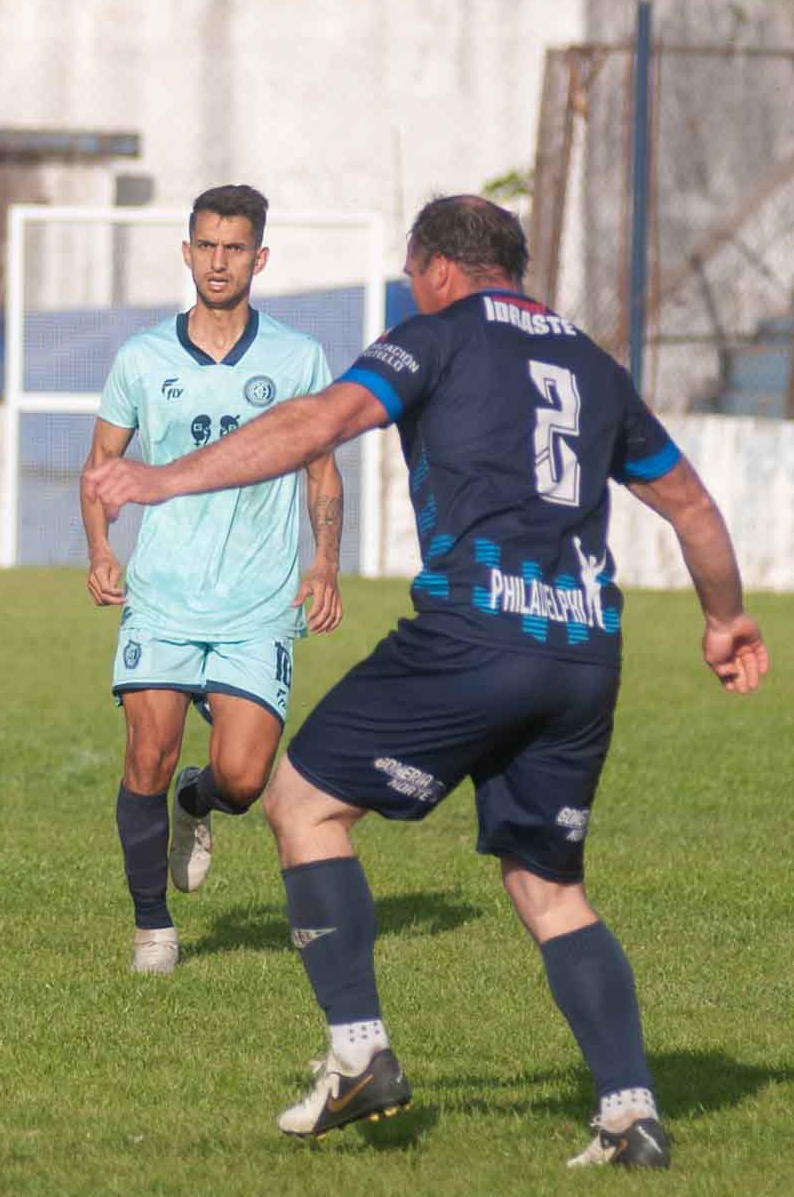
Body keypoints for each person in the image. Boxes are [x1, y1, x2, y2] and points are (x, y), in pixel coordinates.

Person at [88, 195, 769, 1167]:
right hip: (584, 651)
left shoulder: (432, 336)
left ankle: (357, 1050)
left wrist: (163, 478)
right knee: (549, 884)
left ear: (439, 268)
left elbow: (320, 421)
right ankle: (629, 1111)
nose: (412, 286)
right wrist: (723, 615)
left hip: (471, 631)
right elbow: (692, 503)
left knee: (302, 803)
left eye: (413, 272)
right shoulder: (588, 359)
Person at [79, 184, 344, 977]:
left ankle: (200, 803)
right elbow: (100, 468)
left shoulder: (298, 358)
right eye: (205, 245)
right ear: (186, 251)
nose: (217, 261)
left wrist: (324, 560)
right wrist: (100, 547)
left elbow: (323, 475)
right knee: (145, 758)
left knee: (243, 776)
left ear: (259, 258)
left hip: (258, 603)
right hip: (161, 596)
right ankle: (152, 930)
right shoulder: (143, 358)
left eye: (234, 248)